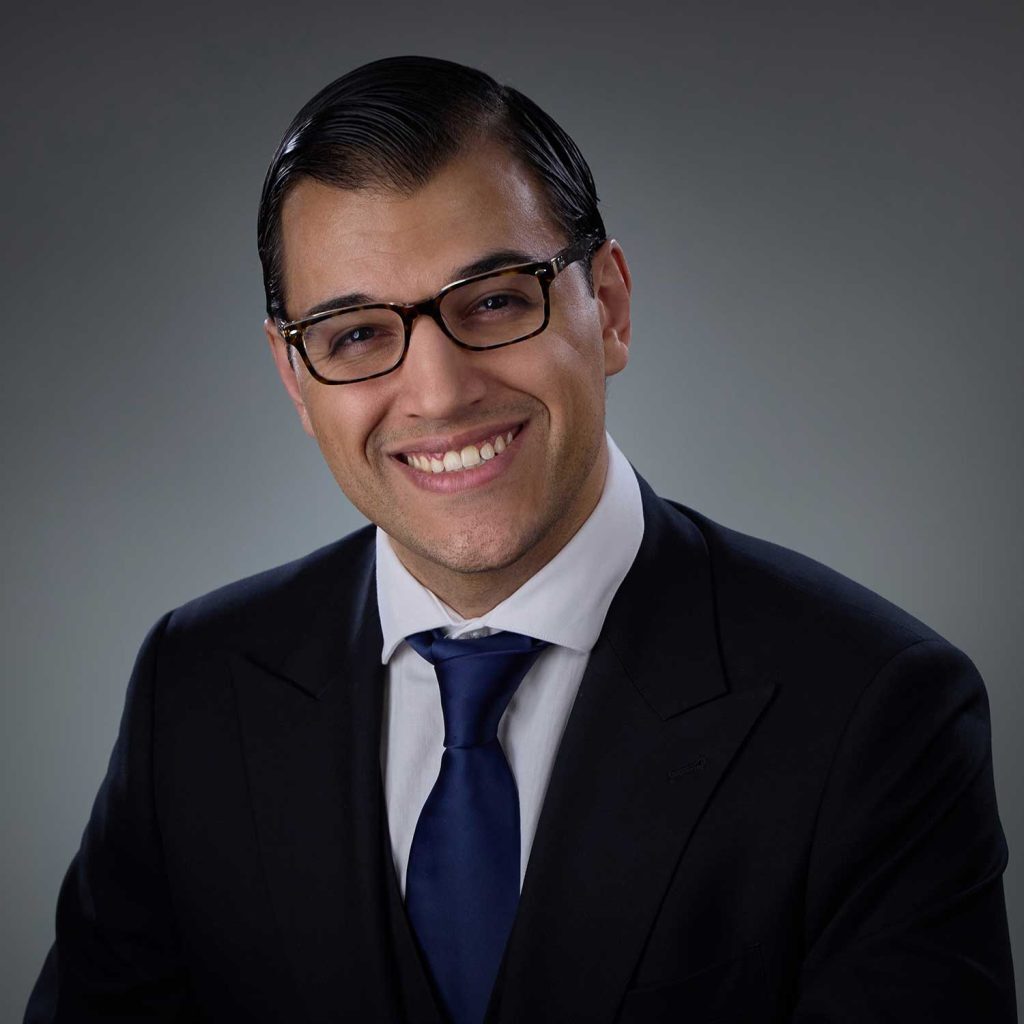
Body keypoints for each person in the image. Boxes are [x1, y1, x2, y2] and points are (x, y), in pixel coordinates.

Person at [25, 55, 1015, 1024]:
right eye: (356, 334)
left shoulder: (874, 707)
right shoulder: (193, 686)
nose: (441, 392)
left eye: (495, 300)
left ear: (609, 306)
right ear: (296, 378)